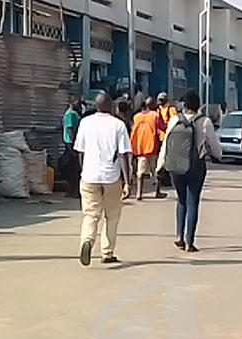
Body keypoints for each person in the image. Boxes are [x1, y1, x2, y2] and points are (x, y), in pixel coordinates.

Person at [158, 90, 222, 252]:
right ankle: (189, 242)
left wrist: (160, 165)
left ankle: (179, 236)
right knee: (193, 201)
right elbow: (214, 147)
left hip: (176, 166)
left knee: (181, 200)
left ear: (184, 105)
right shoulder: (205, 122)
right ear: (198, 105)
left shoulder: (174, 120)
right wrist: (218, 155)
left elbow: (166, 144)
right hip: (196, 166)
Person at [74, 92, 132, 266]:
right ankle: (107, 252)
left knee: (90, 214)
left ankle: (87, 240)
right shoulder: (118, 125)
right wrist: (127, 182)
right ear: (110, 106)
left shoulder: (85, 123)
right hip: (111, 177)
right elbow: (123, 155)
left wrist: (84, 171)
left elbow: (80, 151)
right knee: (112, 216)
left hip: (89, 176)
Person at [130, 97, 167, 201]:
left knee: (140, 172)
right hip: (152, 146)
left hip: (140, 147)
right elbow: (163, 127)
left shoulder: (136, 116)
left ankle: (139, 193)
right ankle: (157, 191)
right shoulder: (155, 115)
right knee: (156, 169)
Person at [61, 96, 83, 198]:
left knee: (72, 167)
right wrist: (75, 143)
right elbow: (70, 129)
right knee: (74, 168)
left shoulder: (74, 114)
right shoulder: (70, 114)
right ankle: (73, 191)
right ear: (72, 102)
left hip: (71, 142)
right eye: (77, 102)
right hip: (71, 143)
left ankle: (71, 190)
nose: (79, 104)